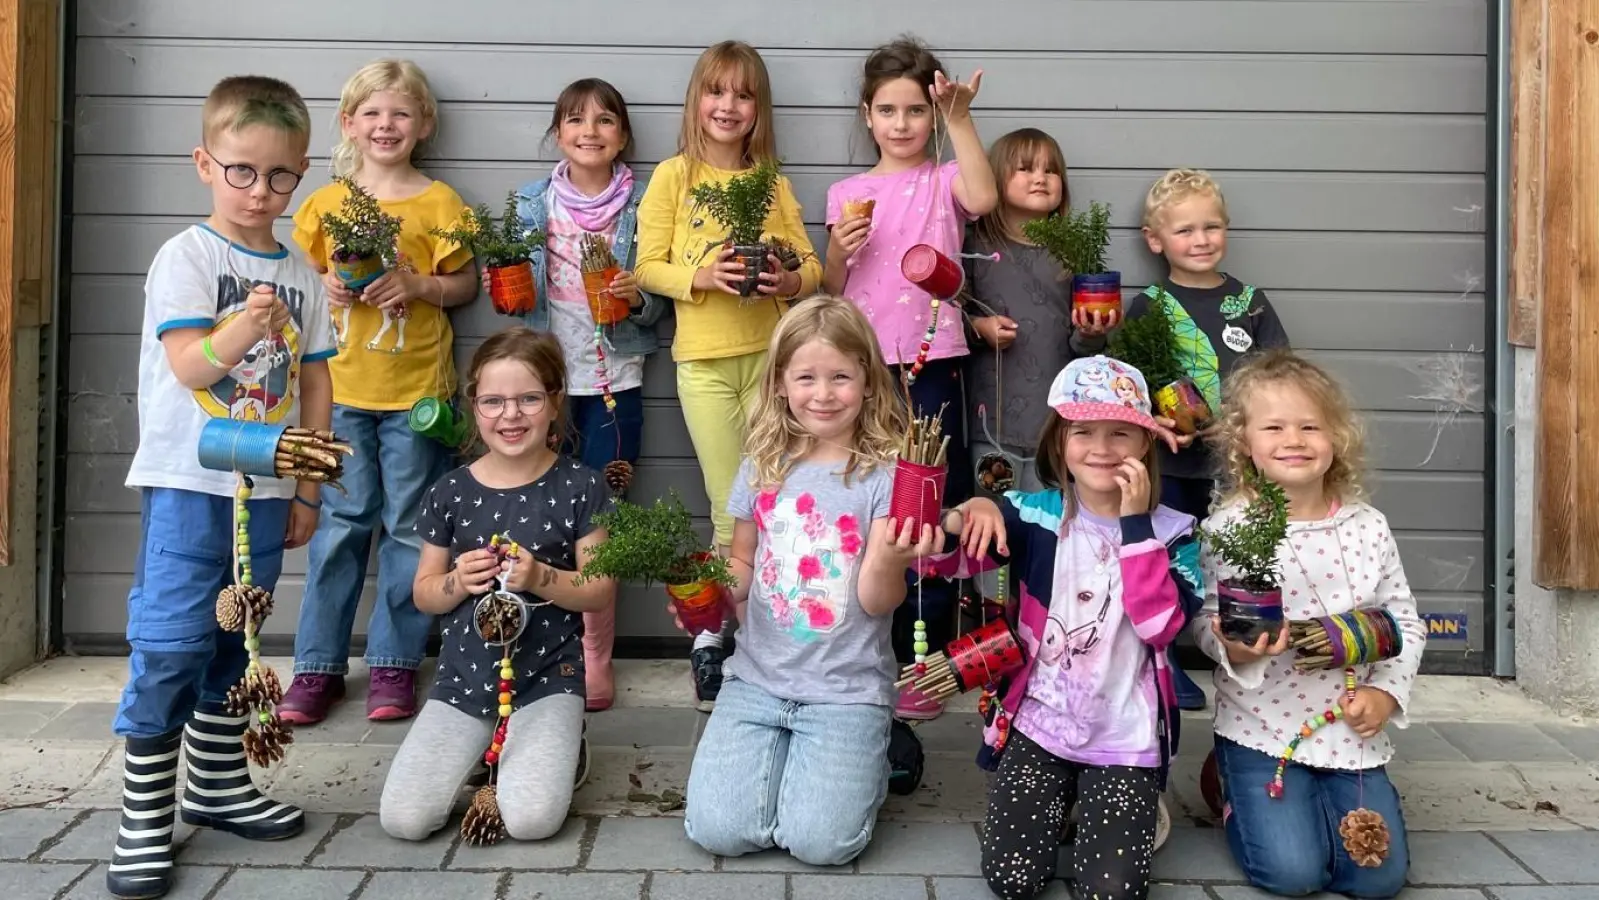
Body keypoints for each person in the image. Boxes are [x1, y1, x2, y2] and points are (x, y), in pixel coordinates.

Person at [108, 74, 336, 899]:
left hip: (267, 490)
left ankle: (213, 785)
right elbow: (191, 363)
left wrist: (308, 490)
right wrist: (248, 323)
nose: (259, 190)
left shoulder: (305, 269)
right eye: (241, 170)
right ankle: (143, 815)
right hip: (187, 487)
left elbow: (315, 386)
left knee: (235, 643)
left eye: (279, 175)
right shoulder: (189, 256)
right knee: (170, 642)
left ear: (300, 172)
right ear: (205, 163)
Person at [926, 356, 1203, 900]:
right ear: (1060, 442)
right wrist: (960, 515)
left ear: (1145, 445)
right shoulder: (1033, 515)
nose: (1102, 447)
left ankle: (1123, 799)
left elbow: (1159, 627)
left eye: (1120, 432)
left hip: (1124, 738)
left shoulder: (1176, 536)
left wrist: (1135, 526)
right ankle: (1066, 794)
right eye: (1084, 432)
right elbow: (951, 557)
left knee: (1112, 892)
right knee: (1010, 879)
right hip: (1040, 726)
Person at [680, 296, 937, 866]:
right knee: (716, 830)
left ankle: (875, 749)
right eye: (807, 378)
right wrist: (709, 585)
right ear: (778, 383)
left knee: (824, 846)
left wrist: (890, 560)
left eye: (840, 377)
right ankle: (792, 763)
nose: (823, 394)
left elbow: (876, 600)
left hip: (846, 690)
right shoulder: (763, 462)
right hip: (756, 681)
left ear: (868, 382)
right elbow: (743, 564)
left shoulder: (885, 476)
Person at [282, 59, 478, 725]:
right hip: (336, 392)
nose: (385, 124)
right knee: (339, 524)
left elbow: (466, 285)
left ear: (423, 123)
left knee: (407, 528)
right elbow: (301, 279)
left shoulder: (439, 203)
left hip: (416, 393)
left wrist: (420, 285)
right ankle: (316, 667)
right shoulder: (327, 204)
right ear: (349, 124)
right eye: (371, 113)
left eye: (399, 112)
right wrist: (327, 286)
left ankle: (395, 663)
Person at [1193, 350, 1425, 899]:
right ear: (1244, 443)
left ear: (1336, 438)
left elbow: (1404, 621)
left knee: (1377, 880)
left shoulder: (1368, 527)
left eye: (1310, 426)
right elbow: (1205, 620)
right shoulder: (1228, 527)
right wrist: (1233, 649)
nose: (1293, 439)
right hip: (1262, 728)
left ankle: (1318, 801)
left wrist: (1387, 696)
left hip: (1351, 729)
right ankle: (1229, 785)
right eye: (1273, 426)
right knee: (1291, 875)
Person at [634, 40, 822, 710]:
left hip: (774, 364)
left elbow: (811, 265)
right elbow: (645, 266)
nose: (729, 105)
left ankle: (775, 634)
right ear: (697, 100)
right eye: (717, 91)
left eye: (743, 95)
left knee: (779, 497)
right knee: (728, 502)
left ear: (758, 109)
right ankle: (712, 636)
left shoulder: (771, 183)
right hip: (704, 364)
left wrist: (790, 277)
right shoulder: (673, 176)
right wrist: (701, 276)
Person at [379, 328, 616, 842]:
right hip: (463, 681)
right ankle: (488, 748)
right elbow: (424, 592)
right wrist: (458, 582)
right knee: (404, 820)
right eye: (494, 401)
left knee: (531, 821)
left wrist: (540, 576)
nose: (511, 415)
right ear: (474, 406)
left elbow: (599, 589)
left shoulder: (581, 486)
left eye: (529, 398)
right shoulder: (450, 491)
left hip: (547, 678)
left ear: (554, 403)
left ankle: (562, 740)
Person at [823, 35, 998, 721]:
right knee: (874, 501)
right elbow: (834, 290)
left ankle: (929, 658)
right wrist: (835, 251)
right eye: (886, 110)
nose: (900, 124)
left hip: (934, 363)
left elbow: (982, 195)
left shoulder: (941, 181)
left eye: (913, 111)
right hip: (864, 372)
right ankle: (879, 644)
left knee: (935, 504)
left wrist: (958, 117)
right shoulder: (847, 191)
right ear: (866, 115)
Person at [491, 77, 668, 711]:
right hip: (546, 380)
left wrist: (637, 300)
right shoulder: (530, 203)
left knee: (603, 520)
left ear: (623, 135)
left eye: (603, 120)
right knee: (533, 508)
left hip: (615, 380)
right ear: (557, 132)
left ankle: (595, 654)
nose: (588, 131)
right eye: (574, 120)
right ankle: (540, 640)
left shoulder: (645, 204)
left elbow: (660, 309)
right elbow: (508, 292)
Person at [1124, 167, 1291, 711]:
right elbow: (1130, 380)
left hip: (1239, 465)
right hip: (1171, 463)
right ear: (1156, 240)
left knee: (1239, 553)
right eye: (1185, 230)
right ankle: (1166, 656)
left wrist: (1243, 422)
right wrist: (1157, 419)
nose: (1201, 240)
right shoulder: (1150, 304)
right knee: (1173, 556)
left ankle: (1245, 648)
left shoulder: (1249, 301)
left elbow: (1278, 375)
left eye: (1211, 227)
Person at [964, 127, 1116, 495]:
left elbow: (1084, 349)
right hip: (990, 426)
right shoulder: (975, 247)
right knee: (994, 521)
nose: (1040, 178)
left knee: (1046, 525)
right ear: (995, 178)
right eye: (1026, 168)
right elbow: (945, 318)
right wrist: (978, 327)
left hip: (1057, 426)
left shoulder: (1075, 255)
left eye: (1051, 171)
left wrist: (1092, 333)